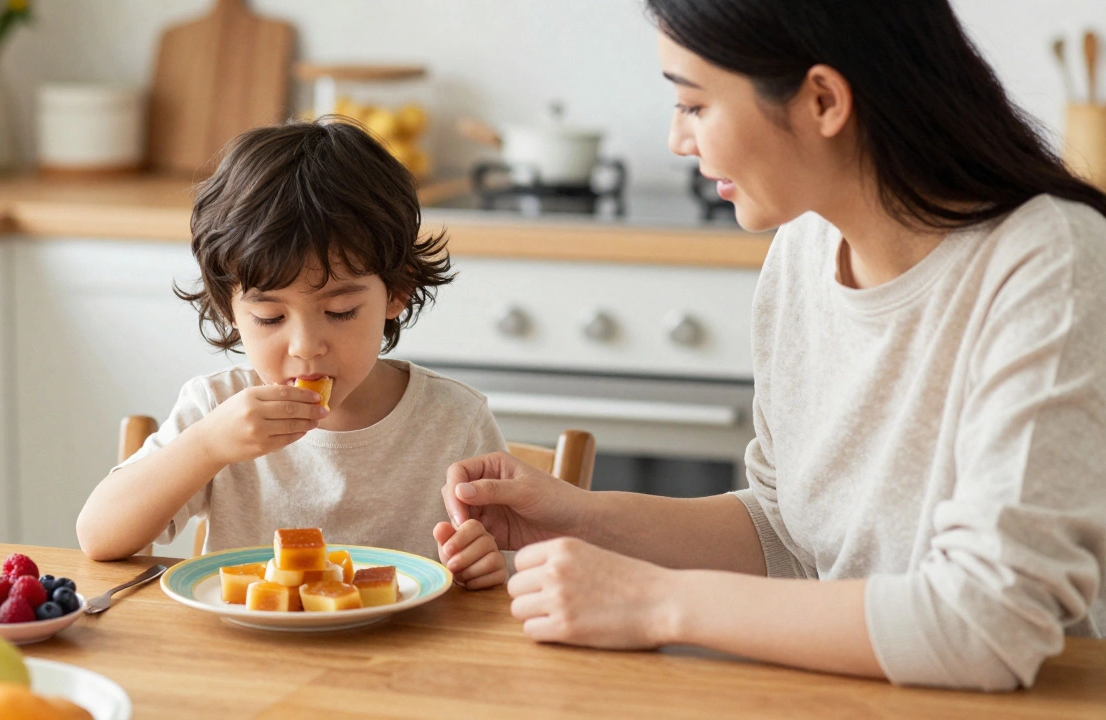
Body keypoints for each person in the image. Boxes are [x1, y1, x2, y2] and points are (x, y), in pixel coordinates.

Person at [438, 0, 1106, 691]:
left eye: (694, 105)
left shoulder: (1052, 262)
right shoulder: (804, 248)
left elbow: (987, 625)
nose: (677, 138)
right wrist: (583, 518)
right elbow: (792, 534)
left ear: (822, 100)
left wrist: (655, 603)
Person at [77, 119, 508, 591]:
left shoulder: (455, 421)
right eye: (269, 317)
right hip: (246, 657)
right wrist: (206, 447)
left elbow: (509, 568)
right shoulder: (217, 409)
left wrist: (484, 567)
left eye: (341, 311)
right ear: (229, 310)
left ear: (396, 292)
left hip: (399, 659)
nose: (306, 346)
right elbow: (99, 538)